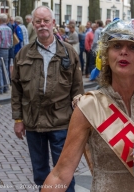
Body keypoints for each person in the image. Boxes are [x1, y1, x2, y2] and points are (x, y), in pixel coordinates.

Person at [42, 19, 134, 192]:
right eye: (117, 46)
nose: (123, 52)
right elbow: (60, 174)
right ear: (107, 56)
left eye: (132, 47)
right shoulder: (89, 105)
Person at [11, 6, 84, 191]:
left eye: (46, 21)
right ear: (33, 24)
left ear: (53, 23)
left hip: (61, 122)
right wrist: (18, 119)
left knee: (65, 172)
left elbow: (78, 90)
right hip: (33, 122)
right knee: (40, 173)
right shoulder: (23, 54)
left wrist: (79, 122)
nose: (42, 24)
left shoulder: (68, 52)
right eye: (38, 21)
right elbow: (17, 90)